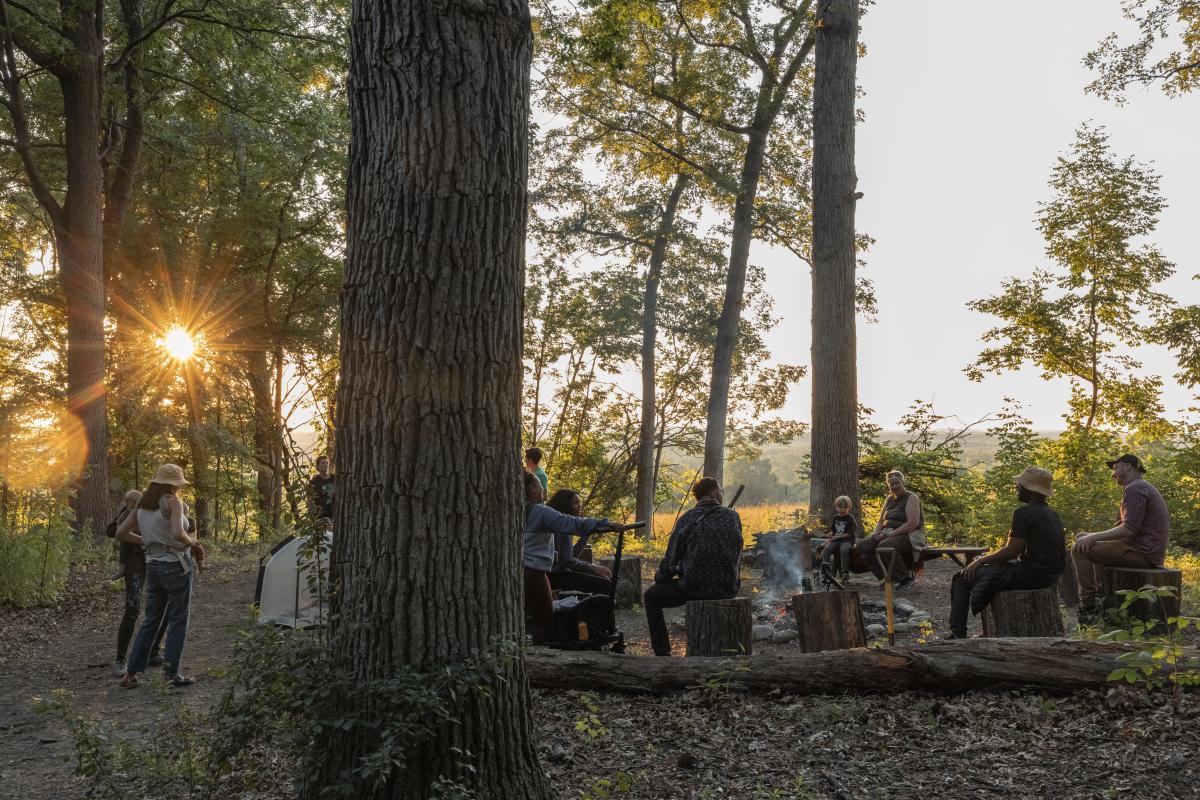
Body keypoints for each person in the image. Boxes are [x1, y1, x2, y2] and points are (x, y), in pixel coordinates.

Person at [948, 467, 1065, 639]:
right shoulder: (1053, 514)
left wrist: (980, 561)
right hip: (1049, 577)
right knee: (990, 570)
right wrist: (987, 559)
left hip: (1031, 575)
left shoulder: (1023, 513)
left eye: (1020, 484)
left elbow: (1012, 551)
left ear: (1029, 489)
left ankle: (957, 635)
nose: (1017, 486)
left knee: (960, 579)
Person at [117, 464, 200, 688]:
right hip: (176, 565)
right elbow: (177, 532)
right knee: (178, 620)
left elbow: (121, 532)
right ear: (173, 484)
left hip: (152, 565)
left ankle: (131, 674)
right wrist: (193, 544)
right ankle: (171, 674)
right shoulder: (174, 503)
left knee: (150, 620)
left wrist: (148, 540)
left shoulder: (143, 504)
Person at [643, 477, 742, 657]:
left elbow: (671, 558)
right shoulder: (733, 516)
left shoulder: (686, 518)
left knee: (650, 597)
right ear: (713, 492)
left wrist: (662, 576)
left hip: (694, 588)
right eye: (720, 491)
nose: (721, 494)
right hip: (728, 587)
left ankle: (662, 652)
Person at [1072, 454, 1171, 622]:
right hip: (1138, 548)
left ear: (1128, 467)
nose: (1113, 473)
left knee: (1079, 550)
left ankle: (1088, 607)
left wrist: (1094, 537)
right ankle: (1099, 597)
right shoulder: (1139, 487)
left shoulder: (1135, 488)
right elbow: (1124, 526)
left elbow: (1130, 529)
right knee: (1081, 537)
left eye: (1115, 467)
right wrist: (1090, 536)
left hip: (1142, 553)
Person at [522, 472, 610, 644]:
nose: (543, 488)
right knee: (544, 619)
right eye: (540, 484)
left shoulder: (519, 510)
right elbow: (568, 556)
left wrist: (585, 536)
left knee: (538, 616)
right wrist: (602, 524)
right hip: (539, 573)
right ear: (532, 488)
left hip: (529, 571)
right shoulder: (542, 513)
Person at [111, 490, 167, 677]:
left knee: (162, 605)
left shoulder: (157, 509)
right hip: (135, 562)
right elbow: (121, 536)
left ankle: (153, 651)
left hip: (155, 559)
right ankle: (120, 660)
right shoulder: (130, 514)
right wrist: (143, 540)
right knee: (132, 608)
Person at [855, 470, 924, 589]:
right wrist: (875, 534)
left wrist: (891, 534)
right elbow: (881, 521)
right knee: (861, 546)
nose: (895, 486)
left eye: (897, 483)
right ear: (889, 486)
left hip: (909, 535)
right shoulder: (889, 499)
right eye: (891, 484)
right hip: (888, 533)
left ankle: (905, 578)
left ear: (903, 482)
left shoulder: (911, 498)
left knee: (884, 545)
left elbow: (913, 523)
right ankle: (887, 577)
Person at [546, 489, 613, 596]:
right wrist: (593, 567)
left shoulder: (563, 525)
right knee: (604, 583)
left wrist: (586, 536)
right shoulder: (562, 528)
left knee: (602, 578)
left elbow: (570, 556)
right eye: (575, 503)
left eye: (579, 502)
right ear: (564, 505)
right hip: (553, 576)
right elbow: (569, 562)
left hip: (558, 573)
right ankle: (595, 611)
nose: (579, 506)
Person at [817, 496, 858, 580]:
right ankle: (826, 571)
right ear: (836, 507)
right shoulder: (836, 518)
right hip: (835, 540)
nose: (842, 510)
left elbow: (849, 534)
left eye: (845, 507)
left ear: (849, 508)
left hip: (847, 540)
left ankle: (845, 572)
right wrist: (830, 534)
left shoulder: (850, 518)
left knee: (844, 550)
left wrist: (836, 537)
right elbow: (834, 531)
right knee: (826, 550)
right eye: (840, 507)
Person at [307, 455, 335, 522]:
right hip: (320, 516)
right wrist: (313, 516)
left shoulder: (335, 478)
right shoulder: (314, 482)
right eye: (323, 463)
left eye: (327, 463)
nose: (326, 465)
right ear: (317, 466)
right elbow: (309, 499)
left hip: (335, 513)